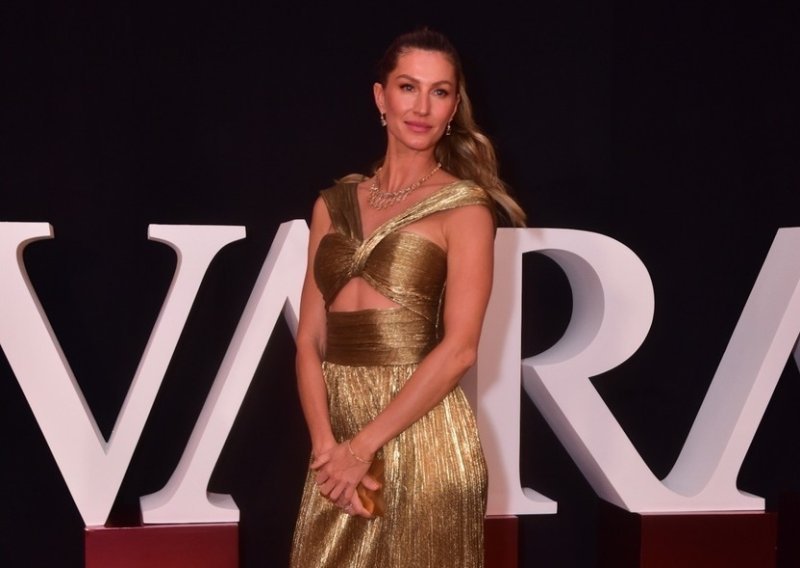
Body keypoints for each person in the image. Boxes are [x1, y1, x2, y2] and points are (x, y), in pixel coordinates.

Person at [290, 27, 526, 568]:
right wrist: (327, 450)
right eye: (408, 87)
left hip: (425, 437)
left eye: (439, 92)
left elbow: (460, 349)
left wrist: (361, 448)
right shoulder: (331, 204)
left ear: (453, 108)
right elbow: (309, 340)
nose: (421, 107)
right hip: (337, 445)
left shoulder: (465, 209)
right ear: (381, 97)